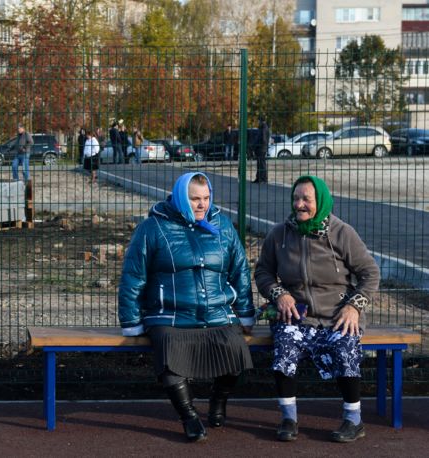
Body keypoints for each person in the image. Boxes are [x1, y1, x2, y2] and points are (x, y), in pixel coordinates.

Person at [118, 172, 255, 442]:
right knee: (169, 356)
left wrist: (246, 312)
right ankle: (189, 416)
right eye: (194, 199)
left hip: (217, 312)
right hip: (169, 314)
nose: (202, 204)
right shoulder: (153, 228)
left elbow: (240, 270)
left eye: (206, 198)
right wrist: (131, 321)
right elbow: (133, 276)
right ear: (181, 198)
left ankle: (218, 401)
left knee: (236, 351)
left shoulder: (223, 226)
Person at [254, 175, 380, 443]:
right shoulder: (279, 234)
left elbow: (370, 273)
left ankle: (353, 420)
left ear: (320, 202)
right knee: (285, 345)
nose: (299, 205)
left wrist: (354, 307)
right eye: (295, 198)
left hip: (337, 315)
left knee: (345, 346)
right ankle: (288, 418)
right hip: (297, 315)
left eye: (306, 199)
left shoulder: (342, 233)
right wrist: (279, 294)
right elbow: (263, 272)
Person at [252, 117, 270, 183]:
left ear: (261, 121)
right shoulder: (262, 128)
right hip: (260, 148)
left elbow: (263, 139)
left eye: (258, 121)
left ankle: (263, 179)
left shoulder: (264, 128)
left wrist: (259, 145)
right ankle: (259, 178)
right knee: (259, 164)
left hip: (261, 148)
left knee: (262, 164)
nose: (258, 123)